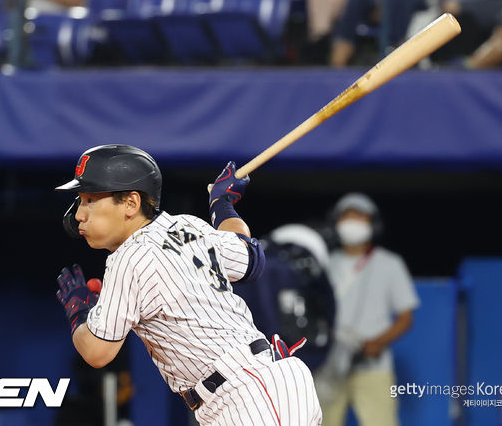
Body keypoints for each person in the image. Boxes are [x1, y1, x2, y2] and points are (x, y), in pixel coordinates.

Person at [54, 144, 323, 426]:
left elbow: (97, 352)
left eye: (89, 200)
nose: (80, 214)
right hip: (251, 389)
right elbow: (249, 256)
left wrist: (79, 312)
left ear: (131, 203)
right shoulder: (186, 225)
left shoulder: (129, 257)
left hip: (248, 396)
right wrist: (222, 205)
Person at [314, 193, 419, 426]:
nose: (352, 222)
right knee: (321, 421)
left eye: (359, 216)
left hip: (373, 365)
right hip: (329, 365)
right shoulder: (325, 263)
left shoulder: (390, 264)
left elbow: (406, 318)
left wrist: (377, 342)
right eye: (346, 216)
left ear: (373, 224)